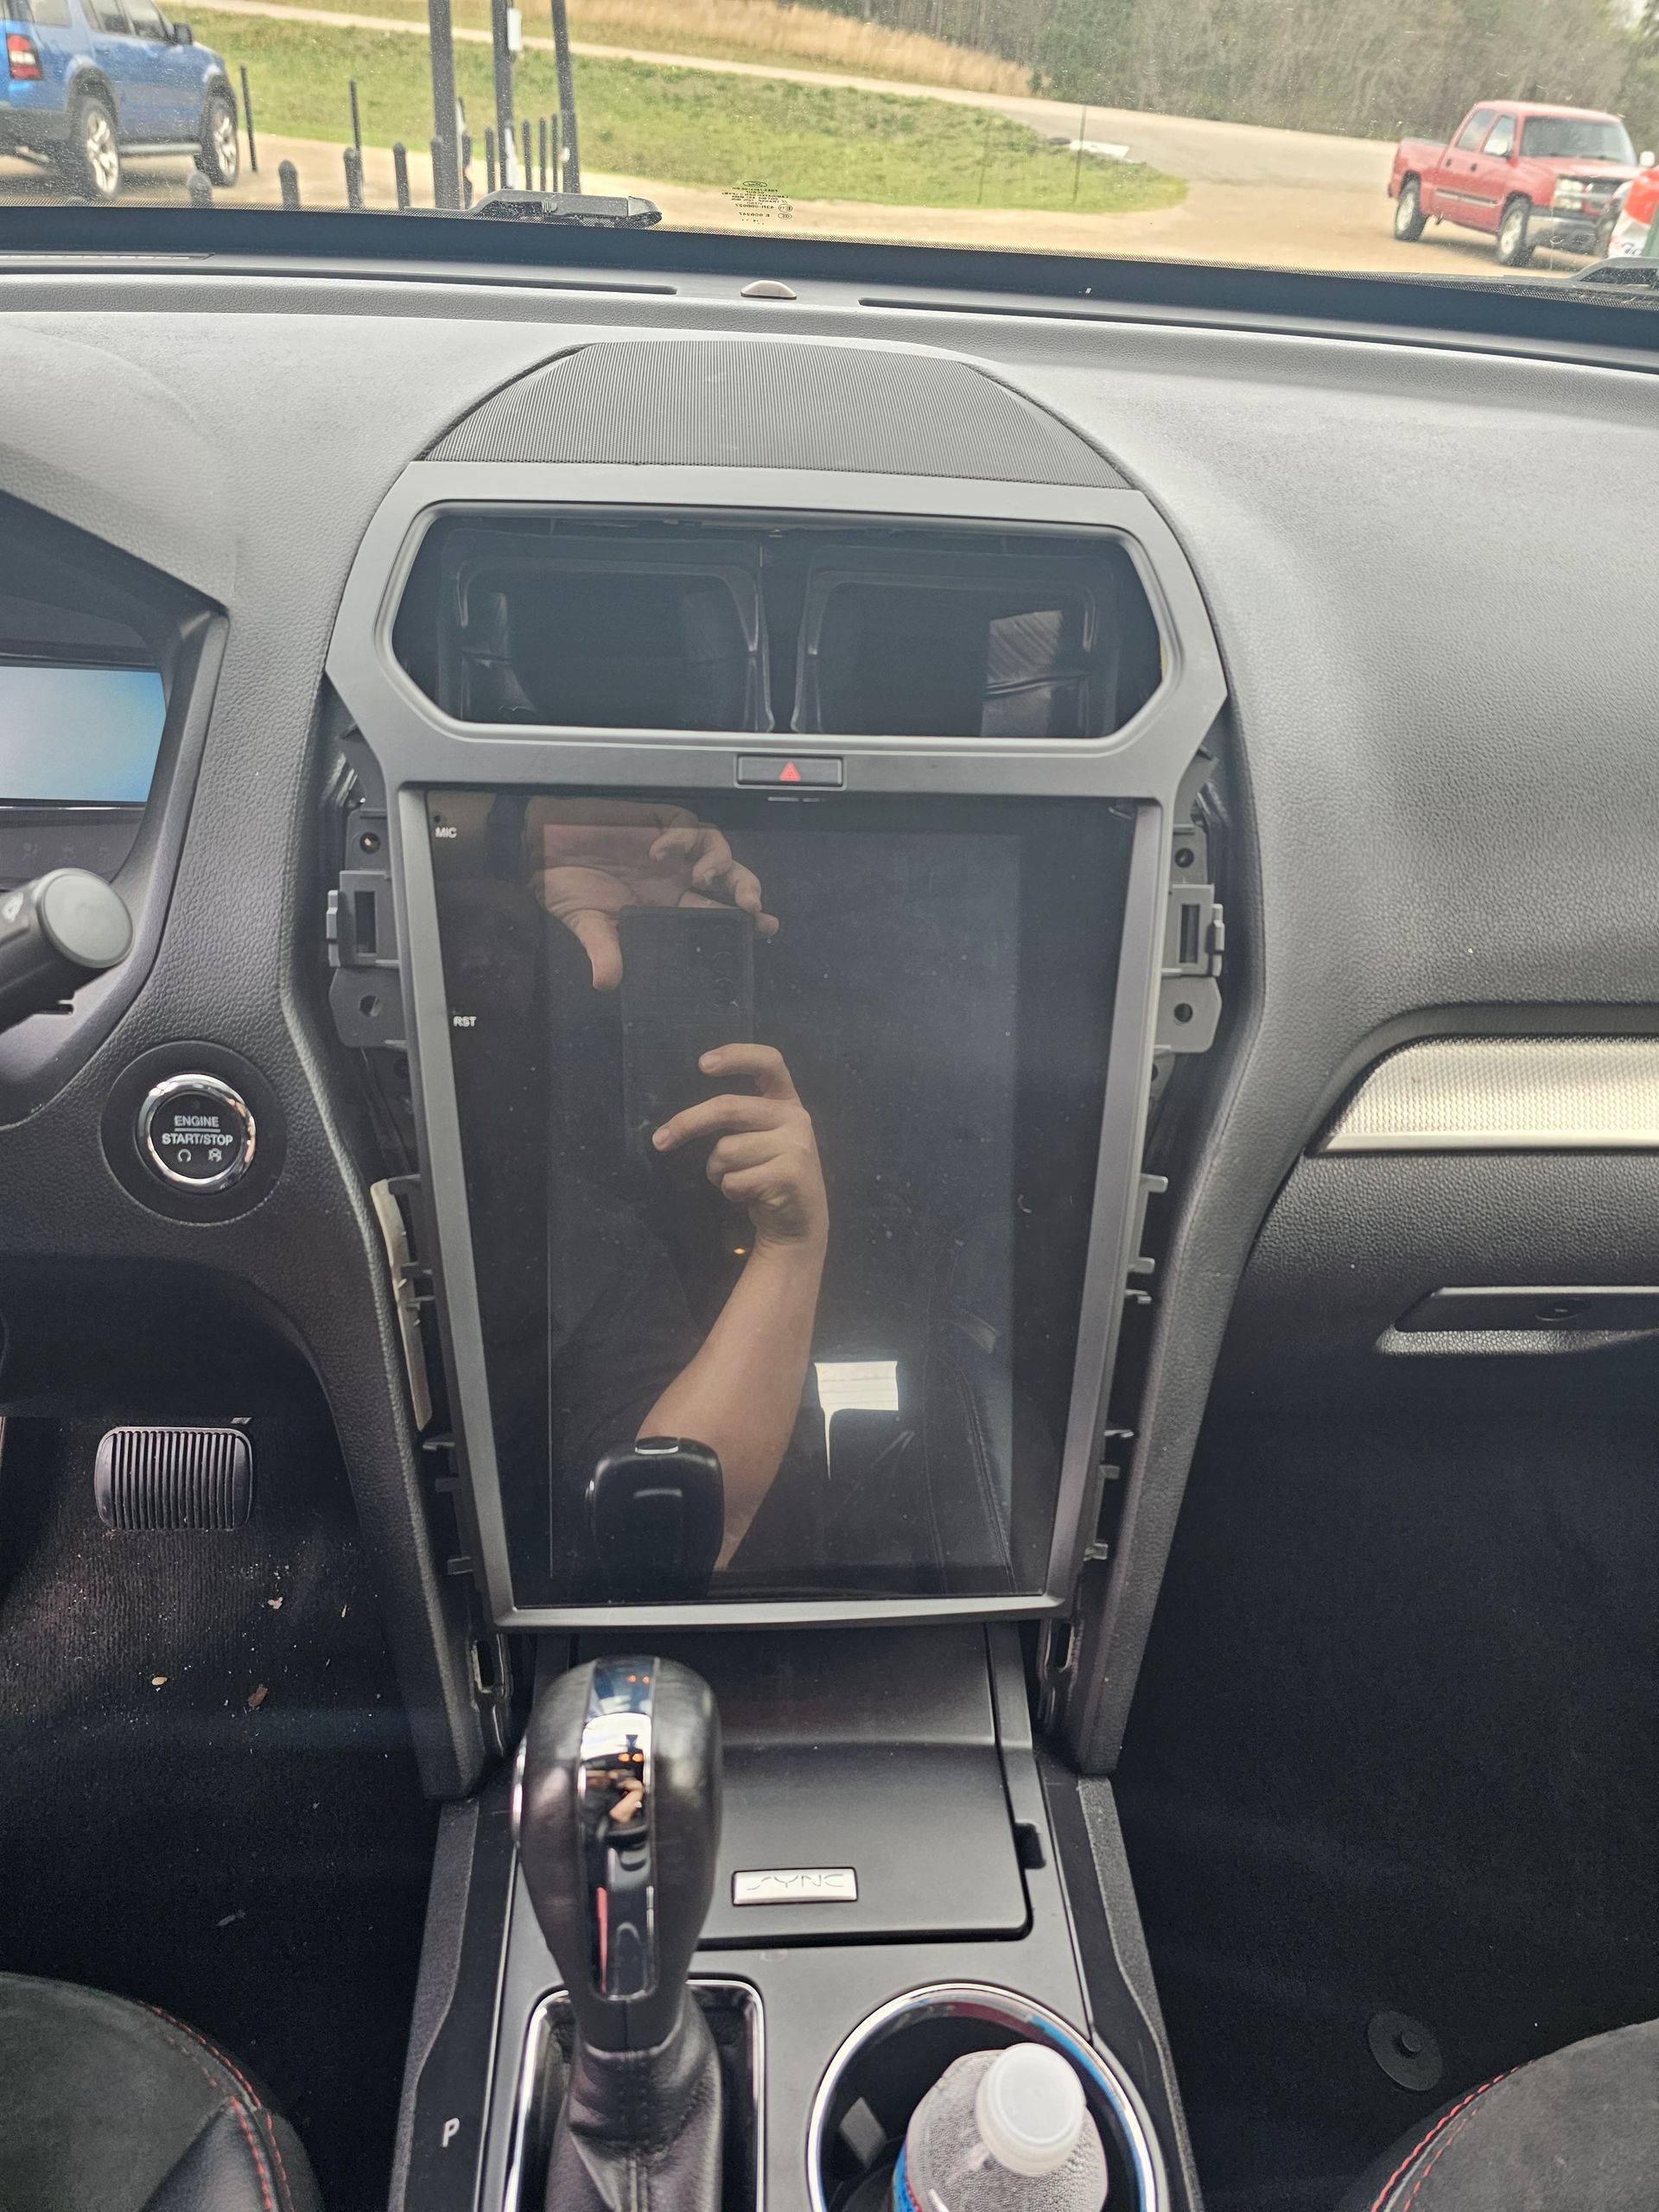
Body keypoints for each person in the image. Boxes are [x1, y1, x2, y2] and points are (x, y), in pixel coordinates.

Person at [526, 800, 827, 1571]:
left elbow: (680, 1524)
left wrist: (790, 1246)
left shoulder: (579, 1236)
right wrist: (509, 831)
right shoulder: (572, 1228)